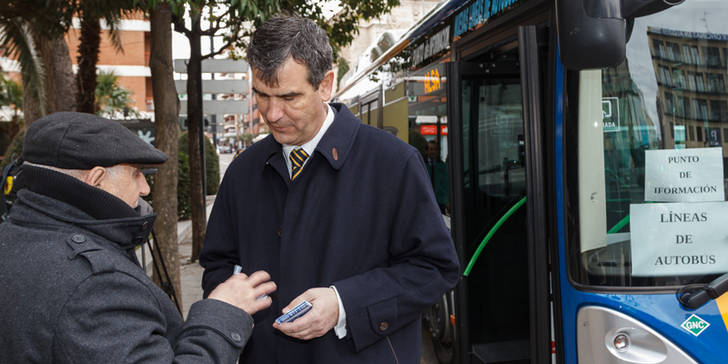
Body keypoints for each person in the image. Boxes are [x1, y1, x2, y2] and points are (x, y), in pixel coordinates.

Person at [200, 15, 459, 364]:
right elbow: (217, 263)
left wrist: (343, 304)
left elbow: (434, 269)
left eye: (289, 97)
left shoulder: (393, 162)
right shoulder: (243, 170)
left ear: (326, 84)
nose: (272, 114)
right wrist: (234, 298)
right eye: (261, 95)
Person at [0, 112, 276, 363]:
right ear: (96, 180)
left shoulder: (13, 238)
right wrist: (223, 313)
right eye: (135, 174)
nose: (144, 188)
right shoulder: (96, 286)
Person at [425, 140, 450, 214]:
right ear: (427, 151)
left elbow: (446, 184)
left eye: (435, 149)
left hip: (439, 202)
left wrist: (447, 201)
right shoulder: (422, 165)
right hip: (426, 201)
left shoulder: (442, 166)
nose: (433, 152)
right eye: (431, 149)